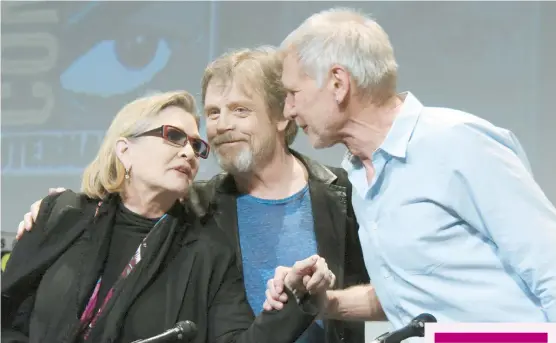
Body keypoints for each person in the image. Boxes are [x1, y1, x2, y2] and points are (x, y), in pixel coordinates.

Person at [15, 47, 372, 343]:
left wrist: (312, 300)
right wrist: (52, 212)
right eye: (214, 113)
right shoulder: (198, 207)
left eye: (240, 110)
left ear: (281, 116)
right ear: (124, 148)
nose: (221, 125)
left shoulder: (341, 193)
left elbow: (394, 291)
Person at [264, 7, 556, 326]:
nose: (289, 110)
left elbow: (549, 267)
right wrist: (324, 300)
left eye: (293, 93)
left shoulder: (457, 143)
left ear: (338, 83)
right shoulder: (362, 175)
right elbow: (409, 295)